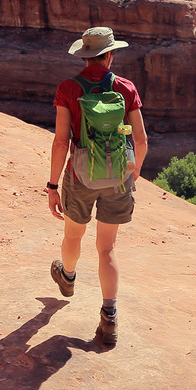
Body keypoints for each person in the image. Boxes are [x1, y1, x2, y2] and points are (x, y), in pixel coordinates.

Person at [46, 26, 147, 347]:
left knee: (73, 234)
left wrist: (51, 185)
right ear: (110, 54)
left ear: (86, 55)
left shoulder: (68, 88)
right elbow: (141, 140)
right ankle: (109, 317)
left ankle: (68, 276)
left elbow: (62, 141)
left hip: (80, 175)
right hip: (118, 175)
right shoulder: (126, 87)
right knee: (107, 248)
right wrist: (132, 173)